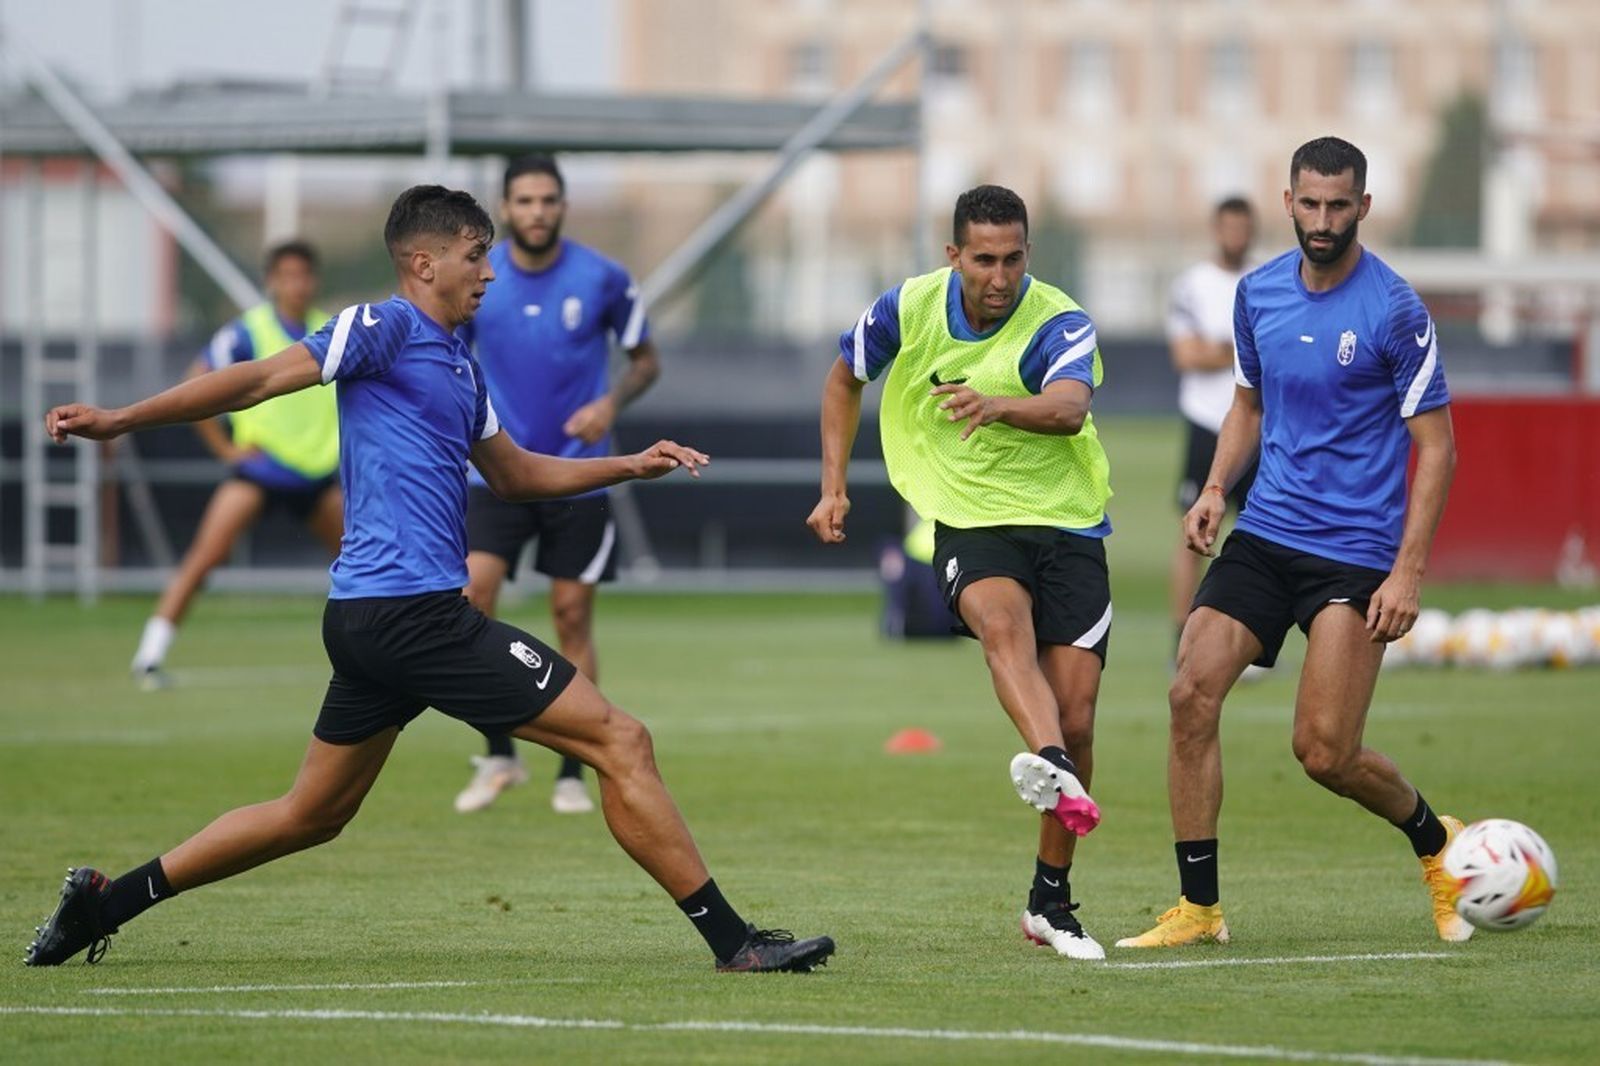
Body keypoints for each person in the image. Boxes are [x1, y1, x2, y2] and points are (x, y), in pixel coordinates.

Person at [28, 185, 834, 975]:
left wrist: (628, 463)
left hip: (377, 621)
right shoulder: (381, 327)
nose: (489, 272)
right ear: (423, 263)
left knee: (311, 815)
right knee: (621, 740)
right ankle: (736, 943)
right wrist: (121, 418)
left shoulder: (459, 365)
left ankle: (106, 902)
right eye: (475, 255)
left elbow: (516, 475)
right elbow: (259, 379)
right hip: (411, 617)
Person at [1117, 137, 1468, 949]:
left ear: (1363, 207)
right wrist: (1214, 489)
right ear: (1287, 202)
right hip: (1268, 531)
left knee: (1324, 752)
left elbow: (1439, 448)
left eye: (1338, 205)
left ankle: (1435, 840)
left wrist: (1407, 572)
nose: (1322, 220)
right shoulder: (1259, 293)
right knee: (1189, 694)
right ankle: (1199, 909)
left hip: (1355, 552)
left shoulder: (1395, 309)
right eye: (1309, 204)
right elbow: (1247, 406)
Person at [809, 185, 1110, 959]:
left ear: (1028, 254)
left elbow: (1069, 409)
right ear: (953, 256)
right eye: (983, 260)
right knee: (1003, 628)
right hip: (970, 519)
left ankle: (1050, 902)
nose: (999, 277)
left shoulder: (1059, 319)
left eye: (1012, 259)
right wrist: (834, 486)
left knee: (1078, 718)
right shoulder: (909, 307)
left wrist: (996, 405)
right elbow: (843, 378)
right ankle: (1052, 765)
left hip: (1067, 523)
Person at [453, 154, 660, 817]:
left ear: (563, 206)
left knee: (571, 616)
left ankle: (573, 770)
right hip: (497, 471)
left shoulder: (603, 277)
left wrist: (609, 404)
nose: (537, 211)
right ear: (505, 208)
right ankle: (499, 755)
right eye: (525, 200)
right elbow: (445, 350)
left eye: (548, 199)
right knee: (472, 600)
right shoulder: (480, 277)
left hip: (577, 475)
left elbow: (645, 361)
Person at [129, 241, 341, 689]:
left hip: (318, 474)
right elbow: (195, 381)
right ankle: (149, 656)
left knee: (362, 564)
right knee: (206, 556)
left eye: (304, 275)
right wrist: (225, 450)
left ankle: (388, 653)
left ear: (315, 280)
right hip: (260, 470)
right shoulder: (248, 330)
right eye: (287, 275)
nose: (297, 284)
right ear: (272, 281)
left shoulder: (331, 330)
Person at [1166, 198, 1259, 657]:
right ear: (1216, 229)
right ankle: (1179, 639)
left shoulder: (1265, 282)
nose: (1236, 235)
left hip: (1257, 424)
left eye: (1243, 227)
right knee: (1195, 531)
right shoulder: (1192, 285)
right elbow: (1187, 355)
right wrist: (1242, 350)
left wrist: (1219, 348)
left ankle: (1252, 641)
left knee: (1260, 536)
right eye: (1229, 227)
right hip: (1207, 421)